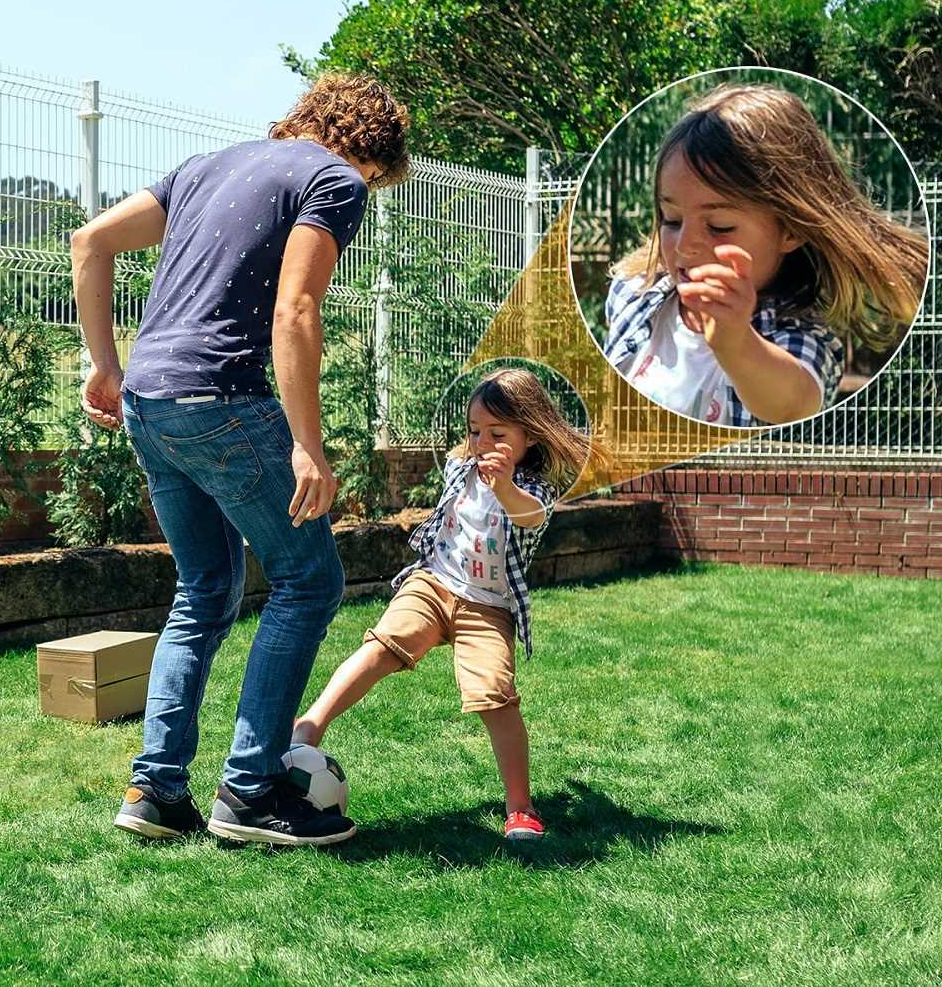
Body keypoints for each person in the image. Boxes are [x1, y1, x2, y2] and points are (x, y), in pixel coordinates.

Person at [70, 72, 409, 847]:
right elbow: (297, 307)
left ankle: (157, 791)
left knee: (205, 589)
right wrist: (307, 444)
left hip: (149, 403)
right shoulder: (334, 180)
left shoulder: (205, 167)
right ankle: (251, 792)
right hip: (223, 399)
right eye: (376, 178)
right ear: (370, 156)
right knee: (308, 580)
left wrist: (104, 365)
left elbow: (90, 241)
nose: (368, 189)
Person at [291, 368, 590, 841]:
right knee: (382, 646)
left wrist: (503, 484)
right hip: (433, 584)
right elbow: (461, 467)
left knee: (495, 694)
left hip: (488, 608)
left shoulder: (534, 490)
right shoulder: (460, 465)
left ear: (530, 436)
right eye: (474, 431)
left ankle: (520, 807)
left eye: (498, 434)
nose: (482, 443)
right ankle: (308, 727)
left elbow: (529, 518)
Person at [602, 84, 929, 427]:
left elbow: (791, 404)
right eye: (671, 219)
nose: (685, 245)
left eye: (719, 226)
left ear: (791, 230)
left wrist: (736, 343)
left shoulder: (803, 336)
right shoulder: (633, 294)